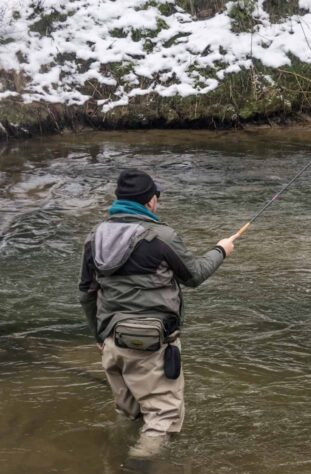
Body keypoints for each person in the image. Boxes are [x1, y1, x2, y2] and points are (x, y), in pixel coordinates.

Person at [78, 169, 235, 458]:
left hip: (111, 342)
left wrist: (99, 336)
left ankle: (112, 465)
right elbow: (194, 276)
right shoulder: (161, 237)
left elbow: (86, 293)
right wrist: (221, 250)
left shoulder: (94, 238)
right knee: (163, 420)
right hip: (151, 345)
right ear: (150, 201)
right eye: (156, 197)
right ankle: (139, 473)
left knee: (128, 414)